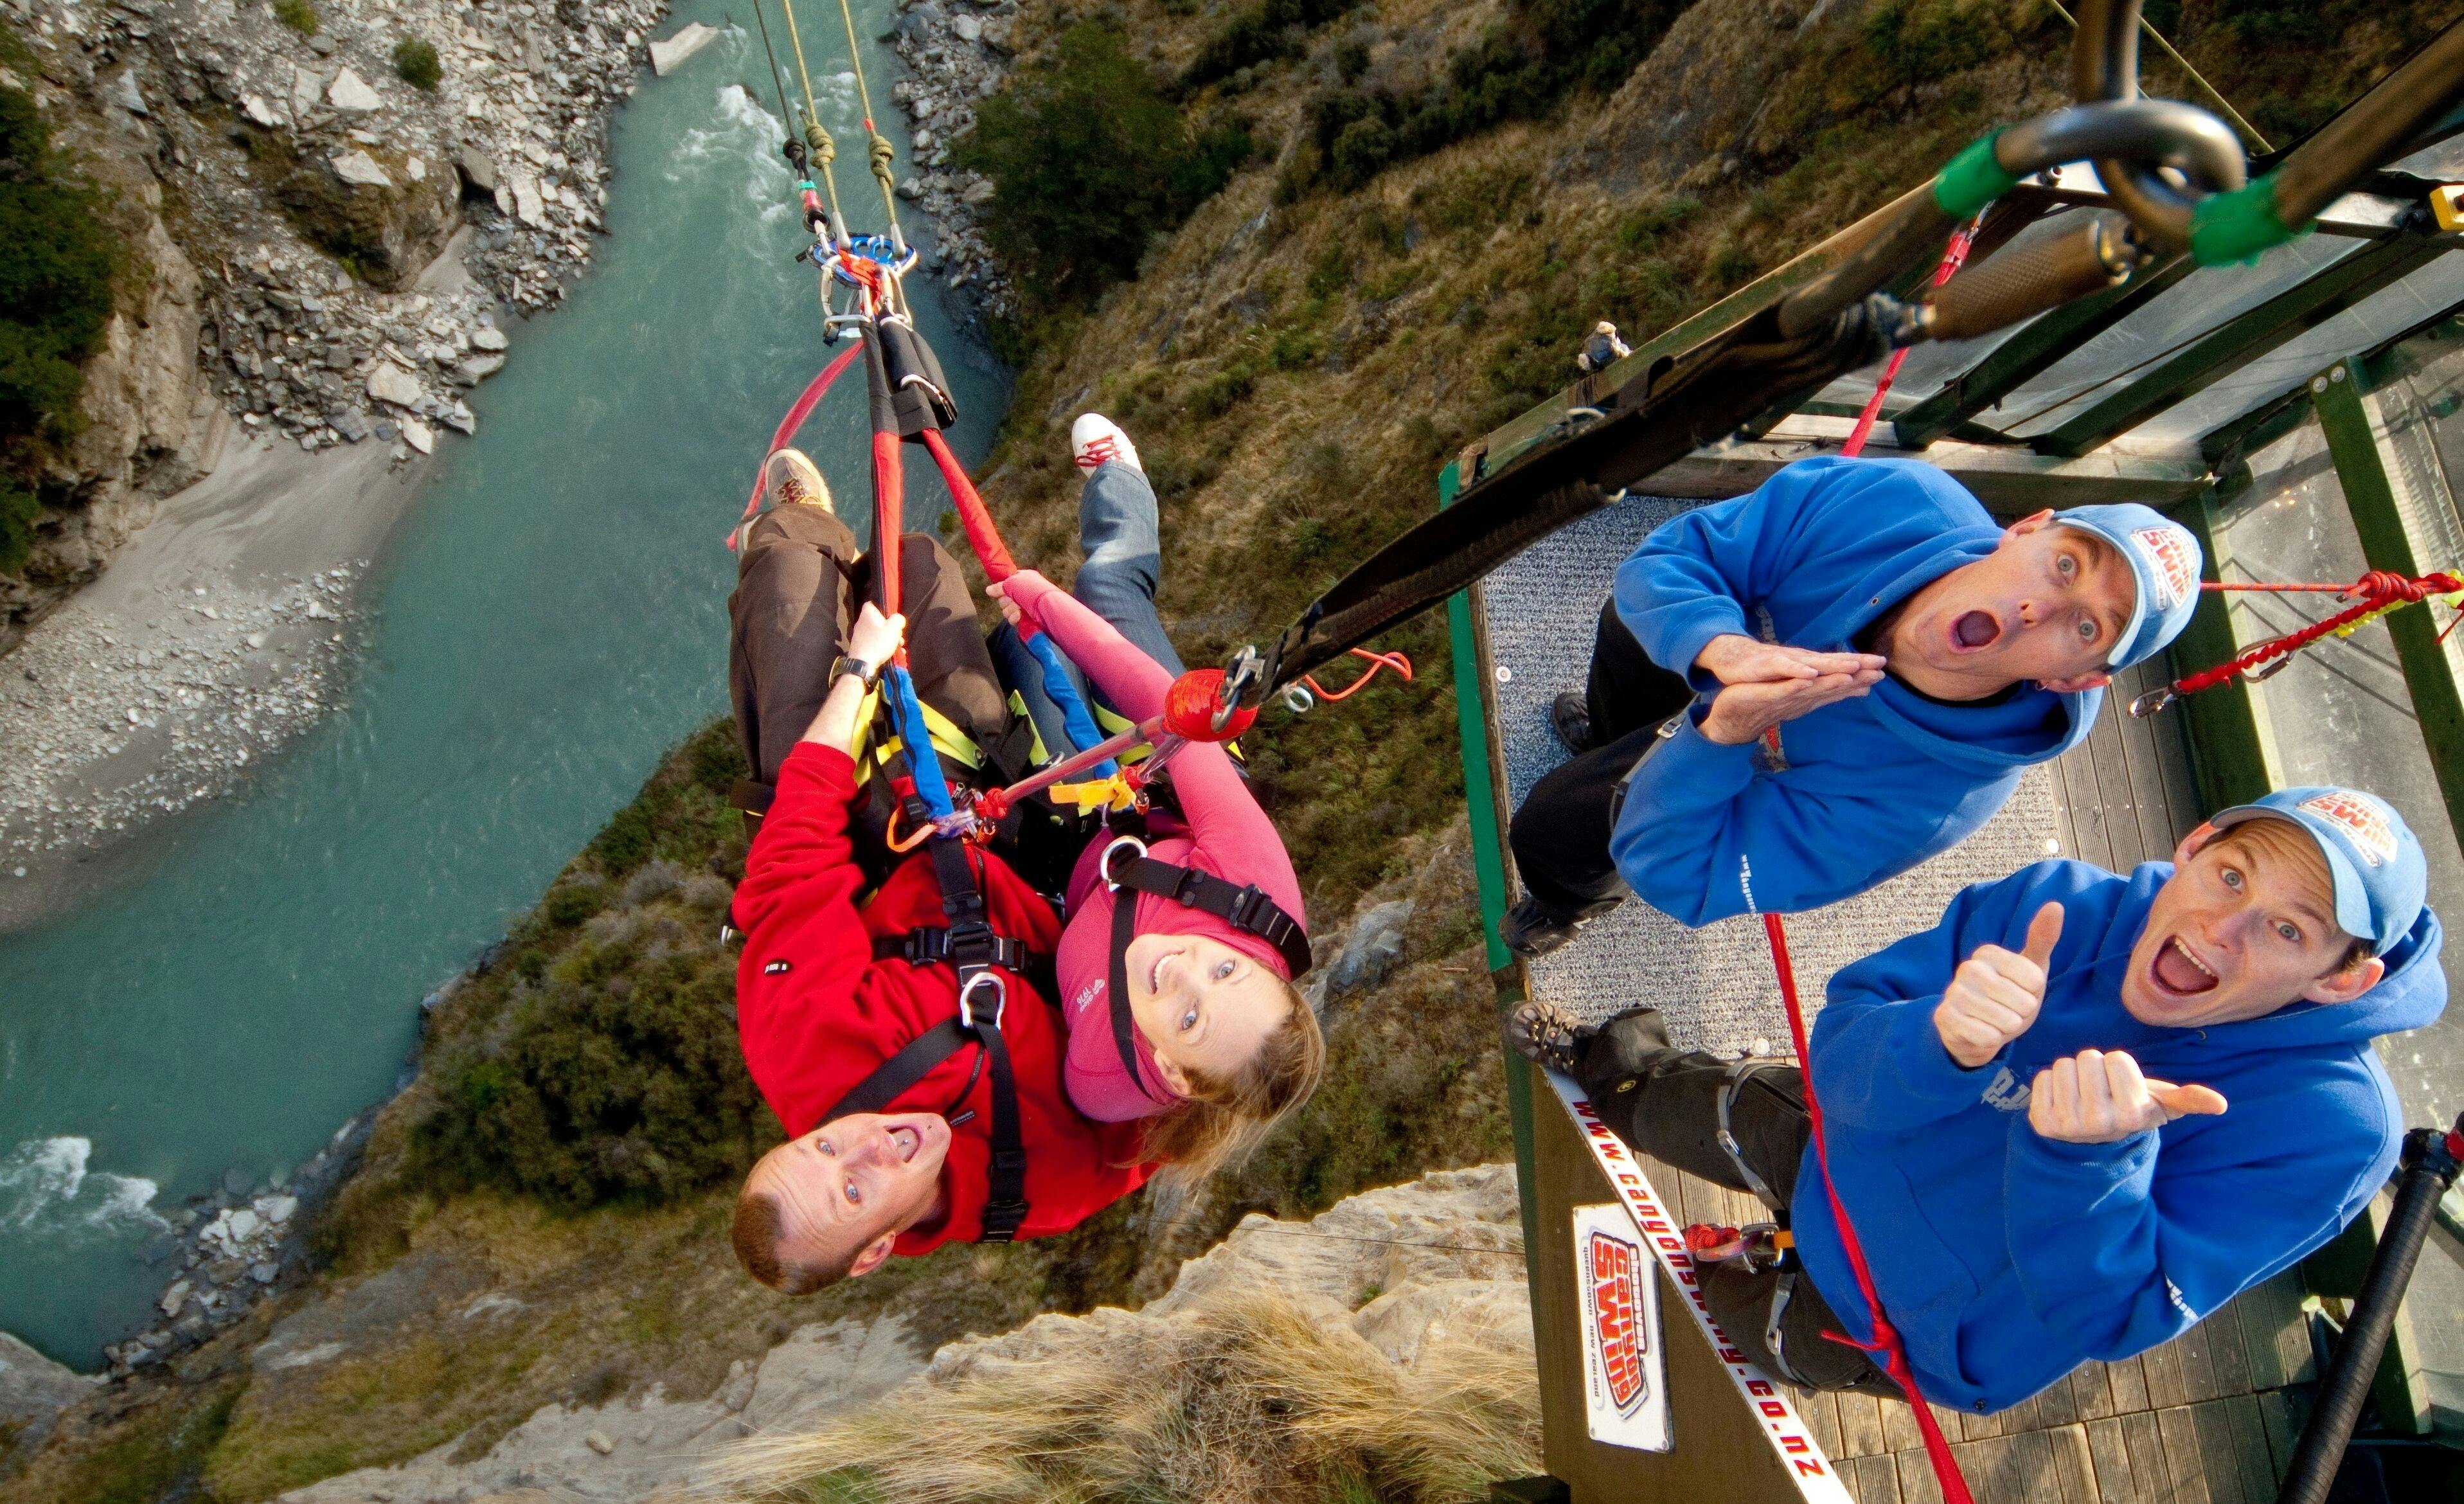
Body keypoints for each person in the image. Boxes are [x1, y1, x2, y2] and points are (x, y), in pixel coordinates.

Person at [1509, 785, 2446, 1411]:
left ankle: (1716, 1275)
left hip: (1906, 1320)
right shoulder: (2066, 907)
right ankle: (1601, 1062)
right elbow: (1843, 1048)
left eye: (2287, 929)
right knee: (1681, 1103)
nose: (2218, 931)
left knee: (1727, 1326)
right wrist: (1939, 1041)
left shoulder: (2328, 1131)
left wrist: (2086, 1161)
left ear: (2339, 981)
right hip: (1851, 1143)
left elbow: (2116, 1315)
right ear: (2193, 846)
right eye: (2230, 876)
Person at [726, 449, 1150, 1293]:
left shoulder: (801, 1056)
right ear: (876, 1250)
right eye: (855, 1188)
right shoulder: (1056, 1182)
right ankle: (850, 566)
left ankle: (803, 531)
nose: (865, 1145)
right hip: (1014, 837)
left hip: (885, 842)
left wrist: (857, 674)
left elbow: (791, 868)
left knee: (792, 585)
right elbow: (1177, 1068)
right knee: (918, 569)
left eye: (821, 1145)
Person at [1501, 454, 2206, 954]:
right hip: (1730, 677)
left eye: (2086, 628)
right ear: (2026, 527)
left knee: (1557, 828)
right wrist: (1718, 644)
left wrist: (1724, 734)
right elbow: (1676, 561)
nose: (2037, 606)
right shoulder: (1897, 499)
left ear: (2076, 680)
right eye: (2066, 564)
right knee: (1639, 626)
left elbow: (1691, 872)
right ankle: (1611, 733)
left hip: (1739, 754)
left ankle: (1568, 902)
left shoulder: (1926, 804)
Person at [985, 415, 1323, 1179]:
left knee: (1011, 652)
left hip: (1073, 845)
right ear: (1260, 957)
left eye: (1193, 1018)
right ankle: (1123, 482)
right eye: (1230, 971)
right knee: (1102, 592)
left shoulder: (1103, 1079)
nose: (1186, 972)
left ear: (1171, 1074)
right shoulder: (1251, 883)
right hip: (1167, 773)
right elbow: (1159, 696)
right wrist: (1044, 600)